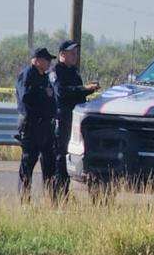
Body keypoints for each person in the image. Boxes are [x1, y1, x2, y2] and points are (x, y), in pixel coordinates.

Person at [51, 40, 100, 199]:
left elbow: (77, 94)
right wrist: (83, 89)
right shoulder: (56, 71)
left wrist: (89, 90)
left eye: (76, 53)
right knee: (61, 157)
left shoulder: (74, 71)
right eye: (71, 53)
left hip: (76, 119)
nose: (75, 56)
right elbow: (61, 93)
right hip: (62, 118)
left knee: (74, 155)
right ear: (62, 55)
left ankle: (67, 194)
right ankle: (59, 195)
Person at [15, 47, 58, 203]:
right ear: (37, 60)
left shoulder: (45, 77)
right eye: (47, 60)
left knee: (49, 164)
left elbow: (52, 99)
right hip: (31, 126)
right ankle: (24, 201)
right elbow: (26, 97)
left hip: (45, 127)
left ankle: (52, 200)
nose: (49, 63)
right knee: (28, 164)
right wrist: (43, 95)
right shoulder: (27, 75)